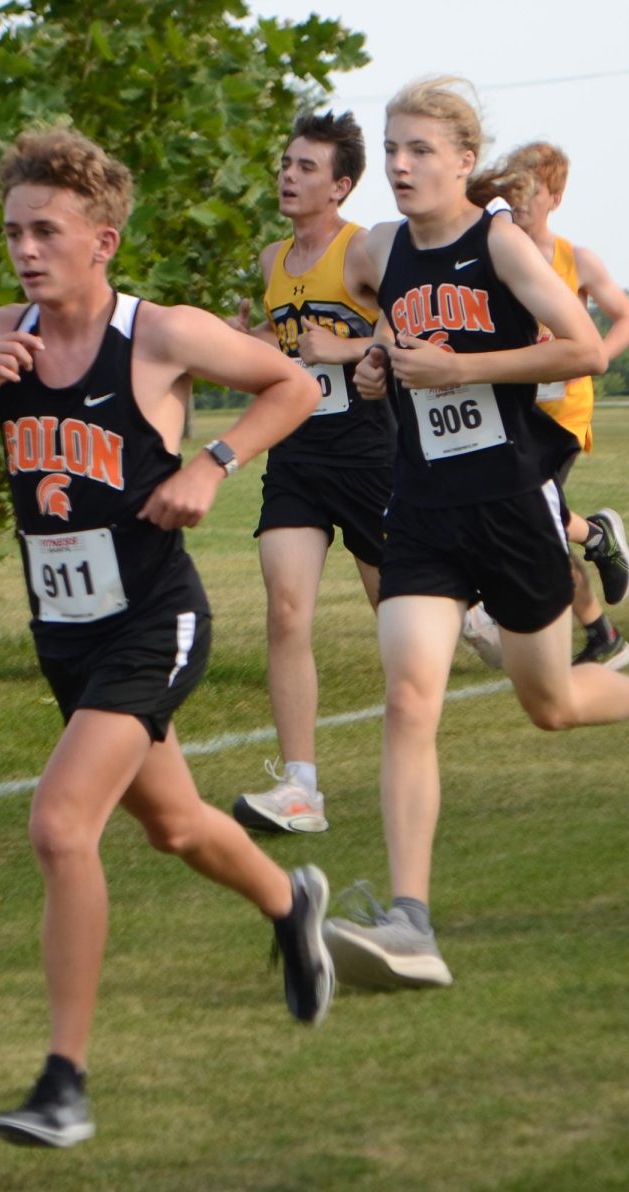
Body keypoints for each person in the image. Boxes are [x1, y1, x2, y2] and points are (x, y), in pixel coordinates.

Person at [0, 128, 334, 1149]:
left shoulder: (159, 334)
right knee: (177, 825)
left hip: (156, 617)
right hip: (66, 633)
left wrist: (211, 463)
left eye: (45, 230)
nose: (24, 249)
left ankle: (65, 1081)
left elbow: (296, 383)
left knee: (61, 825)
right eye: (13, 231)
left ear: (100, 240)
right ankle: (291, 905)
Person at [320, 78, 629, 991]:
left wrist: (460, 366)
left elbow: (581, 347)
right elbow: (397, 337)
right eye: (390, 148)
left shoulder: (496, 241)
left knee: (549, 703)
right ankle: (409, 921)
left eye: (419, 149)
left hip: (510, 503)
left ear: (463, 161)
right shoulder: (380, 252)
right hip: (420, 508)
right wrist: (385, 365)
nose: (398, 164)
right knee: (408, 695)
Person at [229, 111, 396, 835]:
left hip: (368, 452)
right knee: (286, 608)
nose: (288, 177)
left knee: (400, 620)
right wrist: (245, 341)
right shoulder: (272, 260)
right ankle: (301, 790)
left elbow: (407, 326)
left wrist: (353, 349)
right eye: (285, 163)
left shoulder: (363, 252)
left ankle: (482, 611)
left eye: (305, 168)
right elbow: (286, 340)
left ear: (340, 186)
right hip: (296, 452)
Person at [463, 141, 629, 671]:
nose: (518, 198)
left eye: (531, 189)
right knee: (533, 524)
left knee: (529, 515)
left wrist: (590, 359)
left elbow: (627, 318)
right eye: (512, 185)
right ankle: (597, 575)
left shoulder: (576, 259)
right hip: (509, 410)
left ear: (555, 198)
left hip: (560, 415)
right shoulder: (497, 254)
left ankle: (596, 615)